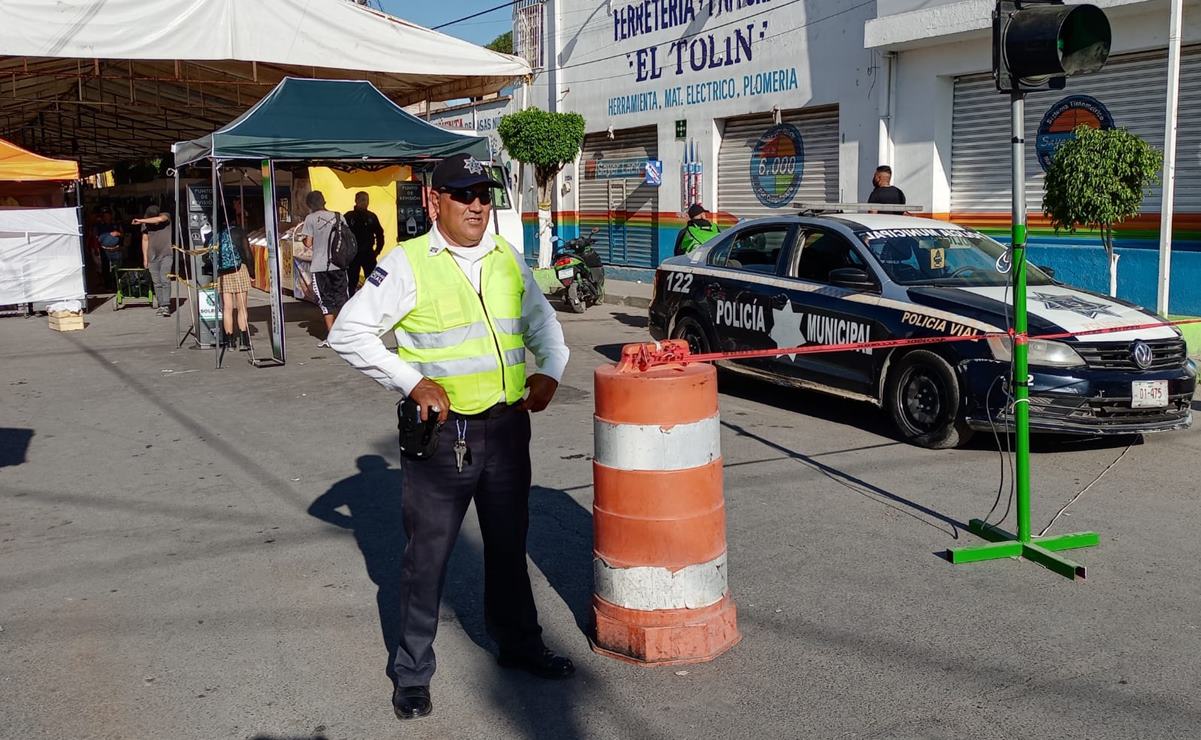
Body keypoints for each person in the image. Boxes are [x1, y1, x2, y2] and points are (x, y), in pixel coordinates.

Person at [327, 153, 573, 722]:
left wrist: (551, 369)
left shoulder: (506, 258)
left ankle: (519, 644)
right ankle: (412, 673)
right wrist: (412, 381)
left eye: (484, 193)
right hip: (444, 439)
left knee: (510, 547)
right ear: (435, 202)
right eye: (463, 195)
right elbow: (349, 332)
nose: (478, 205)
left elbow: (542, 323)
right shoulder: (410, 263)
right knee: (427, 559)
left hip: (509, 429)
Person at [300, 190, 349, 347]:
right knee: (342, 298)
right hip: (339, 264)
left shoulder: (310, 219)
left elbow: (308, 243)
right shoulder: (338, 216)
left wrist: (304, 240)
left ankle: (332, 337)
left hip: (320, 266)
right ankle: (346, 335)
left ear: (310, 204)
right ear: (324, 201)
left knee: (325, 301)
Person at [216, 218, 254, 351]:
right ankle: (244, 341)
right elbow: (247, 254)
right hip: (240, 269)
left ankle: (230, 342)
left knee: (227, 308)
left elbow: (206, 257)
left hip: (223, 273)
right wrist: (252, 273)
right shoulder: (239, 232)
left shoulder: (217, 234)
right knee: (242, 307)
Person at [132, 205, 173, 316]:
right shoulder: (145, 224)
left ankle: (166, 305)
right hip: (152, 256)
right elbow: (145, 240)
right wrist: (145, 258)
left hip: (166, 255)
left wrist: (140, 220)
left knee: (165, 279)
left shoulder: (166, 216)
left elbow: (160, 219)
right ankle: (161, 305)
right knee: (156, 282)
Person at [344, 190, 385, 298]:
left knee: (373, 281)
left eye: (366, 200)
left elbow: (380, 234)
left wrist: (377, 250)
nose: (365, 202)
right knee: (352, 281)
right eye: (362, 200)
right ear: (356, 201)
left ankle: (373, 300)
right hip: (353, 255)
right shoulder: (349, 216)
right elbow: (341, 235)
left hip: (368, 253)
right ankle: (350, 302)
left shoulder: (372, 217)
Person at [94, 208, 124, 283]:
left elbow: (123, 235)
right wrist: (96, 249)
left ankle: (117, 283)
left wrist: (118, 233)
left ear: (111, 216)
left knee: (117, 268)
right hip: (104, 250)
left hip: (116, 250)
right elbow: (95, 237)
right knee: (105, 268)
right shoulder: (99, 226)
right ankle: (107, 285)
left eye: (108, 215)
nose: (107, 217)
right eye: (105, 216)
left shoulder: (116, 225)